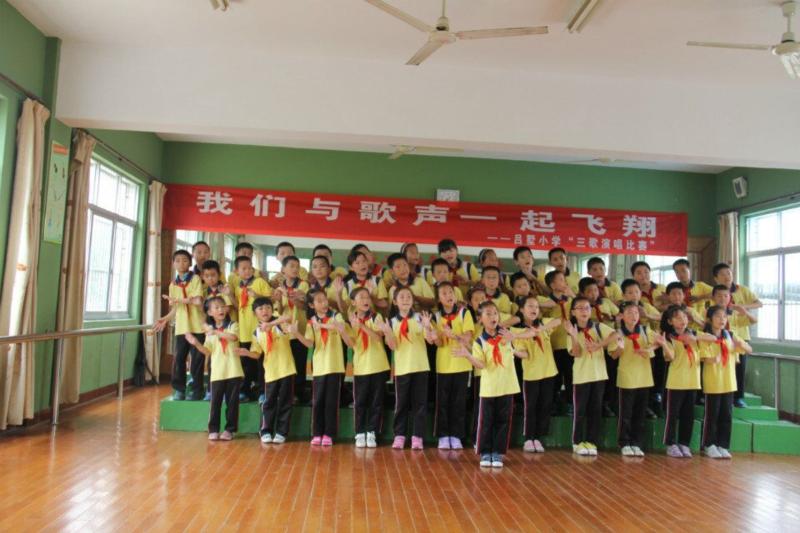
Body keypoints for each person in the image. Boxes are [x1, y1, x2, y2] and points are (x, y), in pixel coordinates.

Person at [455, 301, 528, 468]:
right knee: (486, 421)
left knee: (503, 421)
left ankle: (498, 452)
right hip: (489, 388)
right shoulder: (479, 341)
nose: (493, 316)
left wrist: (514, 340)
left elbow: (525, 348)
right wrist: (467, 355)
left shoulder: (507, 335)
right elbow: (481, 365)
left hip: (507, 386)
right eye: (488, 314)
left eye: (495, 313)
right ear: (480, 319)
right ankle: (485, 452)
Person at [291, 290, 352, 446]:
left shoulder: (336, 316)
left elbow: (337, 327)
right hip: (319, 367)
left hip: (335, 366)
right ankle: (317, 433)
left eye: (324, 299)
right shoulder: (311, 322)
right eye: (319, 301)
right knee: (318, 401)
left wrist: (321, 325)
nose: (324, 303)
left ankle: (329, 434)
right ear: (312, 305)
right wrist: (297, 334)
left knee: (331, 401)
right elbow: (310, 343)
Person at [611, 302, 671, 457]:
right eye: (629, 313)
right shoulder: (617, 333)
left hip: (644, 377)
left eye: (636, 313)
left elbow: (657, 343)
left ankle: (636, 443)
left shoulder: (645, 330)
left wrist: (649, 349)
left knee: (640, 413)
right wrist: (620, 348)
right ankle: (624, 443)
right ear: (622, 316)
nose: (634, 316)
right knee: (625, 413)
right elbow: (613, 355)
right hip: (627, 377)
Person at [383, 287, 436, 450]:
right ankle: (399, 435)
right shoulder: (392, 321)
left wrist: (427, 327)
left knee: (420, 403)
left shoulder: (421, 318)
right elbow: (392, 346)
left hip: (420, 367)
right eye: (402, 297)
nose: (405, 299)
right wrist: (387, 332)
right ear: (395, 302)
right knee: (401, 404)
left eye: (408, 297)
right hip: (402, 369)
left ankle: (417, 436)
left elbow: (431, 340)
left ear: (413, 301)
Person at [566, 296, 619, 456]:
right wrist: (574, 336)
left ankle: (591, 441)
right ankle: (577, 442)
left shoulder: (598, 327)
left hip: (599, 375)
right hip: (581, 376)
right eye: (580, 308)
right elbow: (576, 353)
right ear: (573, 312)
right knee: (580, 410)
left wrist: (599, 345)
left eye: (587, 308)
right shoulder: (571, 331)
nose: (584, 311)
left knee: (595, 410)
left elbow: (616, 333)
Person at [240, 297, 296, 444]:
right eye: (260, 309)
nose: (265, 311)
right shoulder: (256, 333)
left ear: (272, 310)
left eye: (268, 307)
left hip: (287, 369)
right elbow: (257, 354)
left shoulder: (279, 324)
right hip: (270, 372)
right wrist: (246, 353)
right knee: (268, 402)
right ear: (255, 313)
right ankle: (265, 430)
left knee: (285, 402)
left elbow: (288, 317)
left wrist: (271, 324)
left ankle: (282, 432)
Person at [699, 305, 752, 459]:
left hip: (729, 382)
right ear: (710, 319)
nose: (722, 320)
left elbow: (749, 349)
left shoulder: (730, 335)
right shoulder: (706, 337)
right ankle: (709, 444)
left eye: (724, 317)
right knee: (712, 415)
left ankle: (723, 445)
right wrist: (712, 359)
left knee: (726, 415)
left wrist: (742, 345)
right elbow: (703, 357)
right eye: (718, 316)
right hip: (713, 381)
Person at [185, 296, 241, 441]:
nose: (221, 309)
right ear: (210, 313)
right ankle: (214, 429)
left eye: (222, 306)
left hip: (234, 370)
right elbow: (207, 351)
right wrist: (196, 343)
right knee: (215, 403)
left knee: (232, 403)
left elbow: (233, 338)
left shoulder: (233, 325)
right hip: (217, 372)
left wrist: (215, 332)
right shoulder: (209, 333)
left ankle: (230, 430)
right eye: (216, 307)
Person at [153, 250, 206, 401]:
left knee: (197, 360)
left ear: (190, 263)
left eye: (184, 260)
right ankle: (179, 389)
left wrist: (181, 300)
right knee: (179, 359)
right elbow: (176, 308)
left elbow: (197, 301)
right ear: (173, 263)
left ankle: (197, 389)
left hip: (197, 326)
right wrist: (165, 319)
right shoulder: (173, 285)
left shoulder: (195, 279)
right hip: (182, 327)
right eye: (177, 260)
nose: (181, 263)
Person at [512, 295, 560, 453]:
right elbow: (524, 354)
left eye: (537, 307)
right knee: (530, 407)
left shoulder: (543, 323)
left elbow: (559, 320)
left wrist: (541, 329)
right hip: (531, 375)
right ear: (521, 310)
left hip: (549, 372)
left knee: (545, 405)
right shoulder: (517, 330)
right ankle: (528, 438)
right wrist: (513, 351)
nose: (534, 309)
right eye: (530, 306)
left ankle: (538, 437)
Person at [712, 262, 762, 408]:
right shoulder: (714, 298)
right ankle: (715, 395)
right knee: (717, 366)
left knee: (739, 368)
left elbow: (758, 304)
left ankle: (738, 397)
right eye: (722, 274)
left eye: (729, 273)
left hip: (739, 338)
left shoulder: (742, 290)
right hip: (718, 339)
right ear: (716, 278)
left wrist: (742, 308)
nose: (727, 276)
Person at [346, 287, 391, 448]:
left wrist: (362, 326)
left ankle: (372, 432)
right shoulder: (351, 319)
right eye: (361, 297)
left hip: (378, 365)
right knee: (360, 402)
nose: (366, 300)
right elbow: (351, 343)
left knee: (376, 401)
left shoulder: (376, 316)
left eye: (367, 297)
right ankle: (359, 432)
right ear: (353, 302)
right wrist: (348, 328)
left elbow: (378, 338)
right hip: (361, 367)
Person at [660, 305, 707, 458]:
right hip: (675, 382)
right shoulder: (668, 337)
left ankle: (684, 443)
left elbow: (712, 338)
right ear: (670, 321)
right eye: (678, 318)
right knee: (672, 415)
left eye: (685, 317)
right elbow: (670, 357)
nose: (682, 320)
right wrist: (664, 344)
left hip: (693, 381)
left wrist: (694, 338)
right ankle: (670, 444)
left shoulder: (694, 333)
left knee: (688, 415)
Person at [433, 281, 475, 450]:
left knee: (459, 402)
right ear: (439, 298)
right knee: (442, 402)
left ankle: (456, 435)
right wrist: (432, 334)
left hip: (462, 364)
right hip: (443, 365)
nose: (448, 295)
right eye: (444, 293)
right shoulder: (436, 317)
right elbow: (438, 343)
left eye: (450, 292)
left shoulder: (464, 313)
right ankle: (443, 436)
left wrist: (454, 336)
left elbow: (468, 337)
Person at [232, 255, 272, 401]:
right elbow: (237, 306)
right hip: (244, 332)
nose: (248, 271)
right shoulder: (238, 287)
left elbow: (270, 301)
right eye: (244, 268)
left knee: (261, 363)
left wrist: (256, 295)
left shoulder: (259, 282)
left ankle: (262, 391)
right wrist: (229, 295)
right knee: (246, 363)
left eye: (250, 268)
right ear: (237, 271)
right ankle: (245, 390)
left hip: (259, 330)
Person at [272, 255, 310, 404]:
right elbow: (280, 310)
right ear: (283, 269)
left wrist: (288, 296)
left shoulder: (303, 285)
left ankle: (299, 393)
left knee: (299, 363)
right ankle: (286, 393)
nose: (295, 269)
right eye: (292, 266)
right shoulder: (279, 287)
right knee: (286, 363)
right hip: (285, 331)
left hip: (299, 330)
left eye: (297, 266)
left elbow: (303, 306)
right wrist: (278, 299)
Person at [579, 276, 619, 417]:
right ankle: (591, 405)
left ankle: (607, 403)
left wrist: (612, 317)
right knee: (595, 378)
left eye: (595, 290)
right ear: (582, 293)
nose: (594, 294)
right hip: (591, 347)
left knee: (610, 374)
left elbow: (619, 314)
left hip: (609, 345)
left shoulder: (606, 302)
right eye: (589, 291)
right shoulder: (583, 308)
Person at [198, 259, 234, 400]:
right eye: (207, 276)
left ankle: (226, 392)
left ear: (219, 274)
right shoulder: (203, 292)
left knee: (227, 359)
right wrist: (205, 326)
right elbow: (203, 312)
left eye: (213, 275)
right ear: (203, 277)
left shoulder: (224, 289)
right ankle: (211, 390)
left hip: (224, 328)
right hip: (211, 330)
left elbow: (228, 308)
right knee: (212, 359)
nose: (210, 279)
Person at [538, 270, 573, 414]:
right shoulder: (544, 302)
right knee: (555, 376)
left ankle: (570, 403)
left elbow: (582, 308)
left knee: (570, 375)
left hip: (570, 343)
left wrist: (573, 295)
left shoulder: (570, 300)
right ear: (552, 285)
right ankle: (553, 403)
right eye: (561, 279)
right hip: (553, 344)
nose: (564, 282)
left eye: (564, 279)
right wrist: (544, 306)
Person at [339, 249, 388, 315]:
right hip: (355, 320)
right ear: (351, 268)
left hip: (374, 319)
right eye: (357, 263)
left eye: (364, 261)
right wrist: (338, 293)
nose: (362, 264)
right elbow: (344, 310)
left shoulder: (377, 280)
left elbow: (385, 305)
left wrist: (371, 296)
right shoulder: (348, 285)